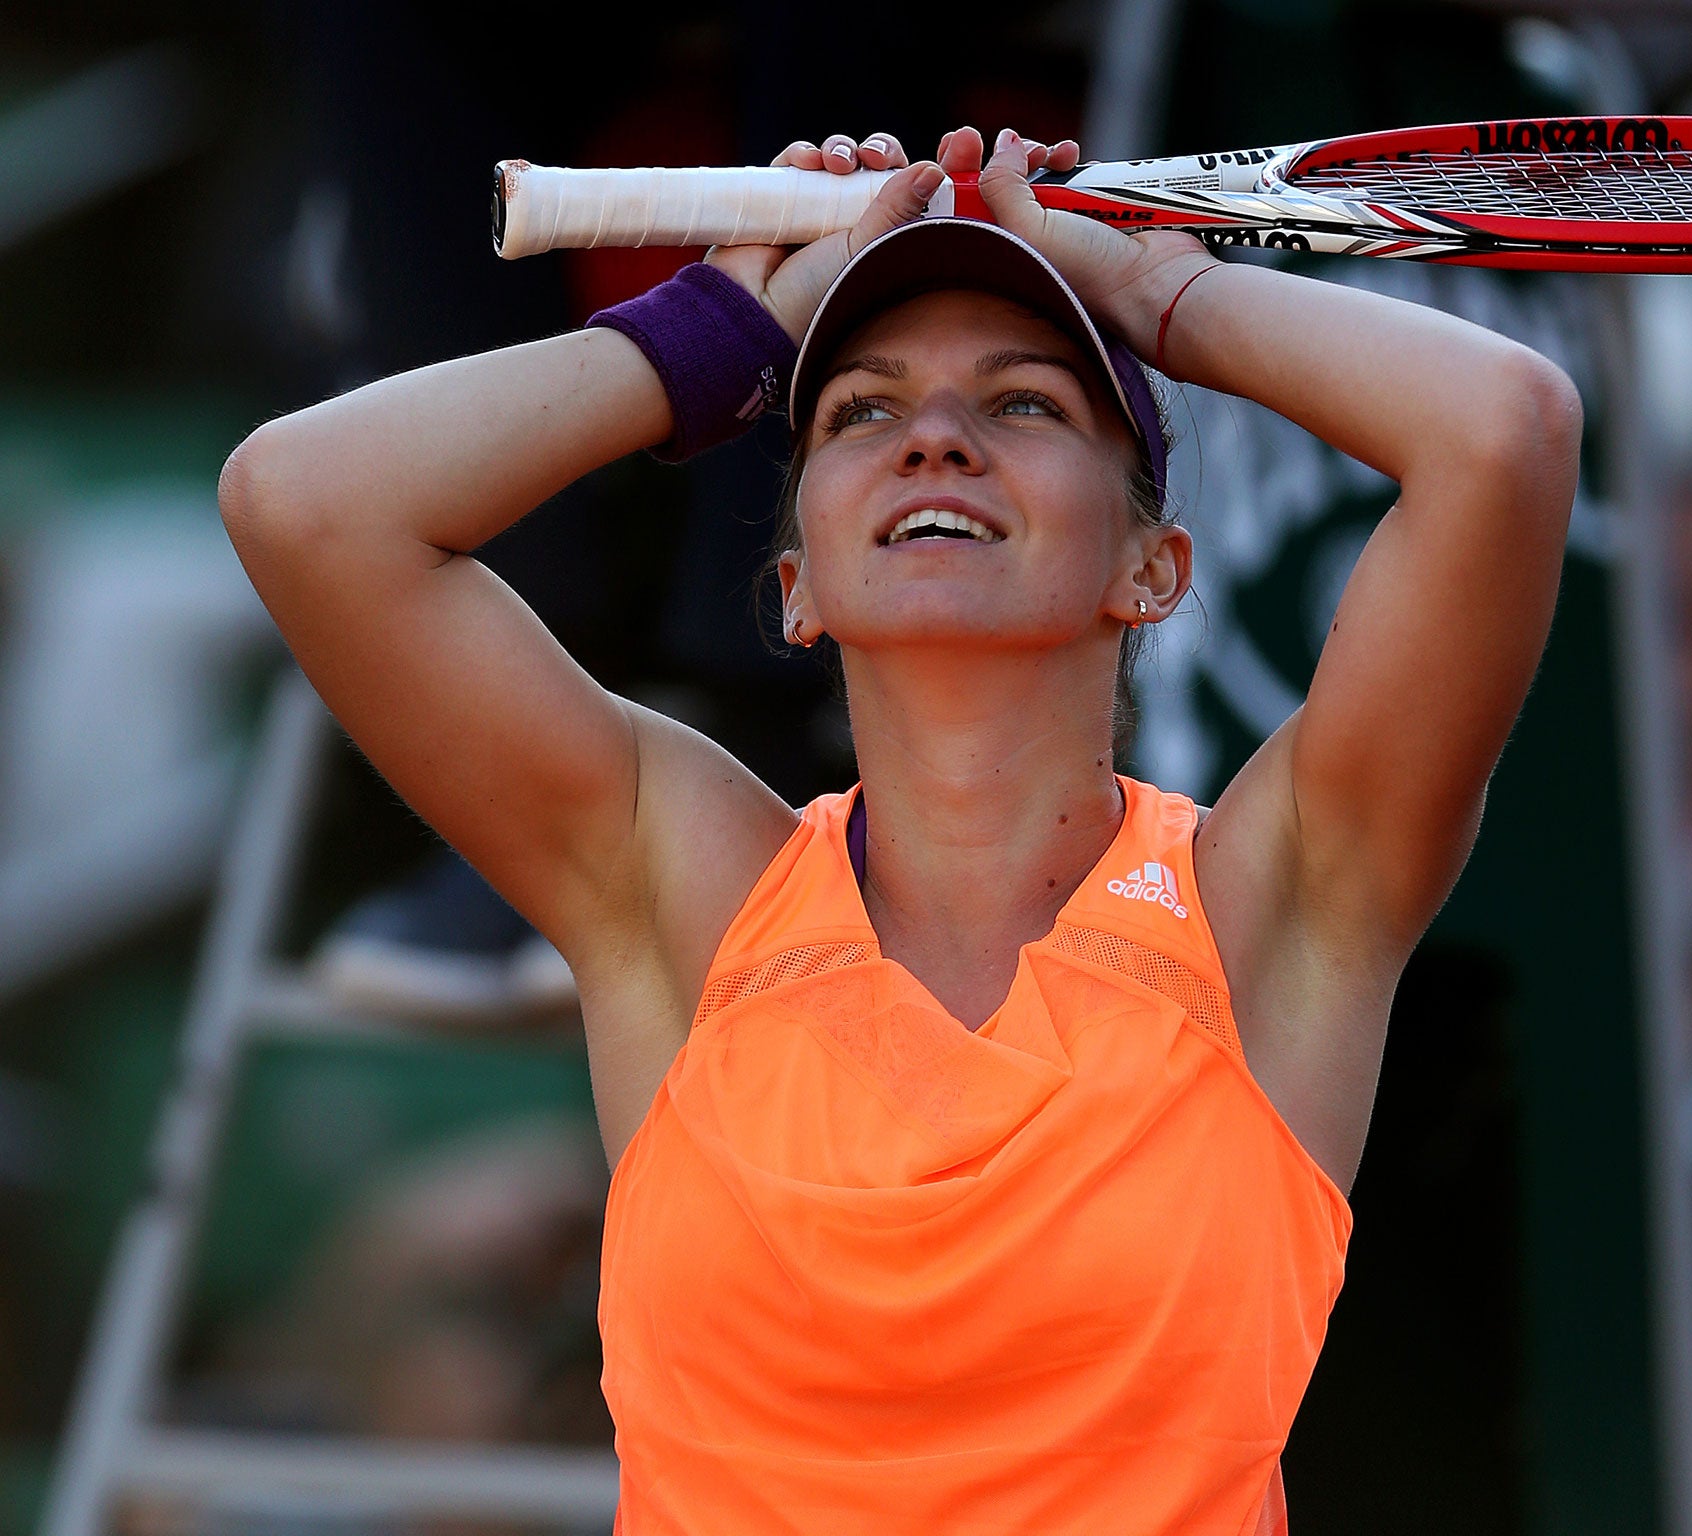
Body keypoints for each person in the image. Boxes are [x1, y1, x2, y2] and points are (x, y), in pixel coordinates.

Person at [217, 125, 1580, 1533]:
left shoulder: (1272, 901)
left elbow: (1502, 433)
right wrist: (713, 332)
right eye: (862, 410)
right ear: (796, 581)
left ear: (1152, 566)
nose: (937, 435)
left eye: (1027, 405)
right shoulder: (682, 883)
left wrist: (1166, 298)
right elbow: (303, 504)